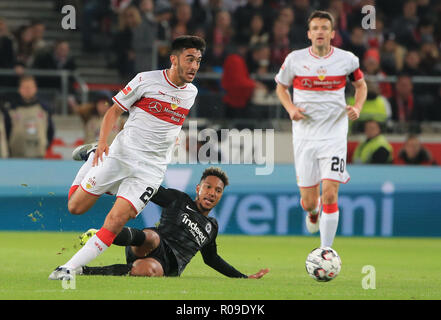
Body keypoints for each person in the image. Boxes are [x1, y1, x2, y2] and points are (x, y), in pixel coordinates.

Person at [49, 35, 206, 280]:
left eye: (198, 60)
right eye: (189, 59)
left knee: (116, 220)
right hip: (121, 155)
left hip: (151, 170)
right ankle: (92, 156)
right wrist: (102, 144)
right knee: (75, 207)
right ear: (173, 59)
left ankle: (67, 268)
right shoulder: (145, 80)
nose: (194, 66)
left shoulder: (192, 92)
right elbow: (114, 111)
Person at [275, 10, 367, 249]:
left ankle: (326, 251)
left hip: (334, 134)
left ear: (332, 33)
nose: (320, 32)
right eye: (315, 28)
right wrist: (290, 108)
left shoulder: (347, 60)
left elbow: (361, 85)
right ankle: (313, 212)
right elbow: (281, 88)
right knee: (308, 201)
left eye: (324, 28)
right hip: (305, 135)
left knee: (330, 194)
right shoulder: (295, 59)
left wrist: (357, 106)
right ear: (309, 34)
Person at [77, 167, 269, 279]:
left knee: (147, 271)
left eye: (218, 190)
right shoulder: (179, 199)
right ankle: (102, 234)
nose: (212, 193)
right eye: (208, 187)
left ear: (220, 196)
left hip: (169, 266)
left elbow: (211, 259)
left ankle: (84, 271)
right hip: (150, 244)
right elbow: (152, 190)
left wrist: (243, 277)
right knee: (151, 236)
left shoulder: (212, 227)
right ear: (198, 188)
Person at [1, 75, 54, 158]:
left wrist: (44, 146)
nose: (28, 90)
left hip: (38, 155)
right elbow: (6, 132)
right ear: (20, 89)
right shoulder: (11, 110)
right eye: (25, 87)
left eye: (30, 87)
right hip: (16, 156)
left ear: (35, 88)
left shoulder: (44, 109)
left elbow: (50, 131)